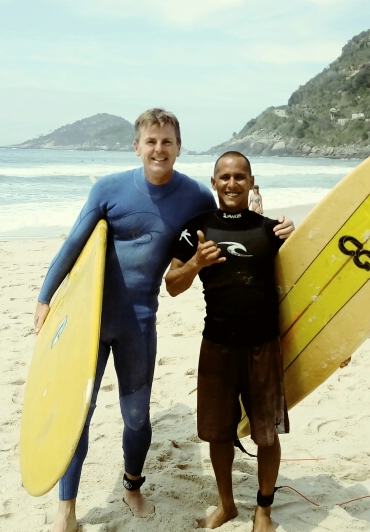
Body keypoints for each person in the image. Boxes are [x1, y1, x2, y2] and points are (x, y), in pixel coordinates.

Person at [33, 110, 294, 532]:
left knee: (136, 417)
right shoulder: (108, 188)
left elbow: (228, 231)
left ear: (178, 147)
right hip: (87, 321)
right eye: (150, 142)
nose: (159, 149)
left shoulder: (194, 197)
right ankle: (67, 507)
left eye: (167, 142)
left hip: (139, 322)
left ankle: (133, 485)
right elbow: (75, 242)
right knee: (78, 414)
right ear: (137, 147)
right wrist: (46, 297)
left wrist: (269, 223)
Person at [165, 151, 289, 532]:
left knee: (266, 433)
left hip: (264, 345)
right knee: (218, 432)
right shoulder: (196, 228)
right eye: (224, 177)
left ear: (252, 182)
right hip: (217, 344)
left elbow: (301, 286)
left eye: (240, 176)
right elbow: (172, 285)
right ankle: (227, 505)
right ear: (214, 183)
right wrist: (196, 263)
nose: (232, 183)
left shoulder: (272, 231)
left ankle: (263, 509)